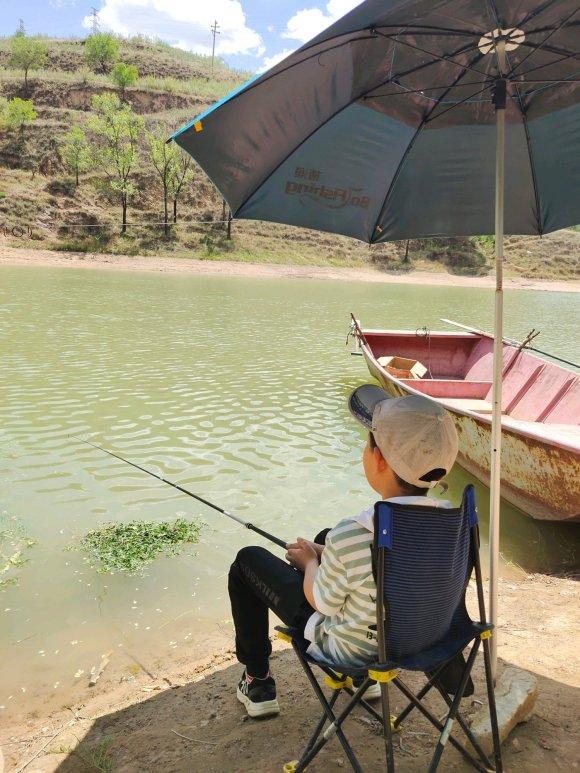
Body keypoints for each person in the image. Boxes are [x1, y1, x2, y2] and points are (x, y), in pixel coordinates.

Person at [228, 385, 459, 718]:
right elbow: (395, 571)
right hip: (419, 640)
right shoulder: (455, 522)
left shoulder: (352, 534)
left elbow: (321, 601)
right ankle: (370, 684)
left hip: (354, 650)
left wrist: (310, 563)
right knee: (326, 536)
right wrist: (327, 549)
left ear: (377, 458)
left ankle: (258, 680)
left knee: (247, 561)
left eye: (368, 441)